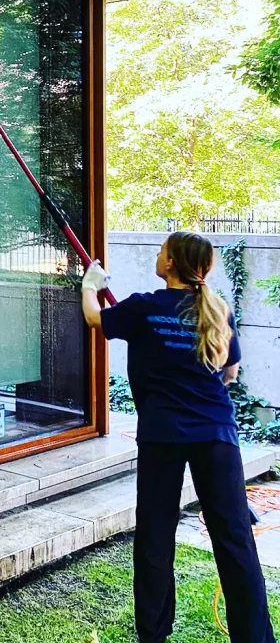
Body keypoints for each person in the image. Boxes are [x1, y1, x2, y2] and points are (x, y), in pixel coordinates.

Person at [82, 231, 275, 643]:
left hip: (163, 435)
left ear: (170, 263)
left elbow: (95, 318)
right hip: (216, 435)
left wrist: (89, 285)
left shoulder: (144, 307)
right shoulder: (218, 309)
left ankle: (153, 635)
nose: (157, 254)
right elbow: (229, 371)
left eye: (161, 250)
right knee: (234, 536)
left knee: (155, 534)